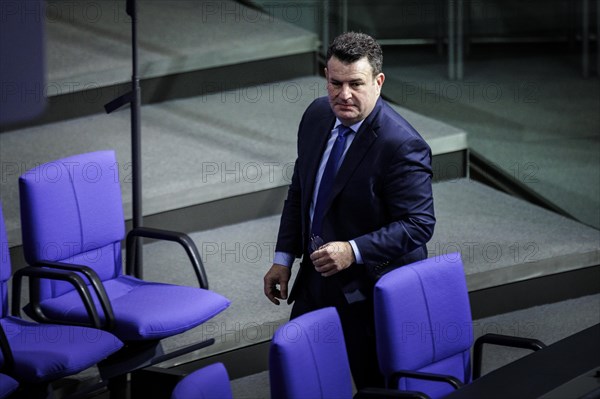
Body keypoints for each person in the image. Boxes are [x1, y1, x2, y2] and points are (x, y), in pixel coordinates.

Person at [263, 32, 436, 389]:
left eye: (356, 84)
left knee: (372, 384)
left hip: (369, 288)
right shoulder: (315, 116)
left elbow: (418, 225)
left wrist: (352, 250)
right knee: (303, 373)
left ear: (378, 81)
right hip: (316, 277)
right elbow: (301, 193)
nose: (343, 95)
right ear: (326, 76)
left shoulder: (401, 145)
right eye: (335, 83)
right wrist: (284, 257)